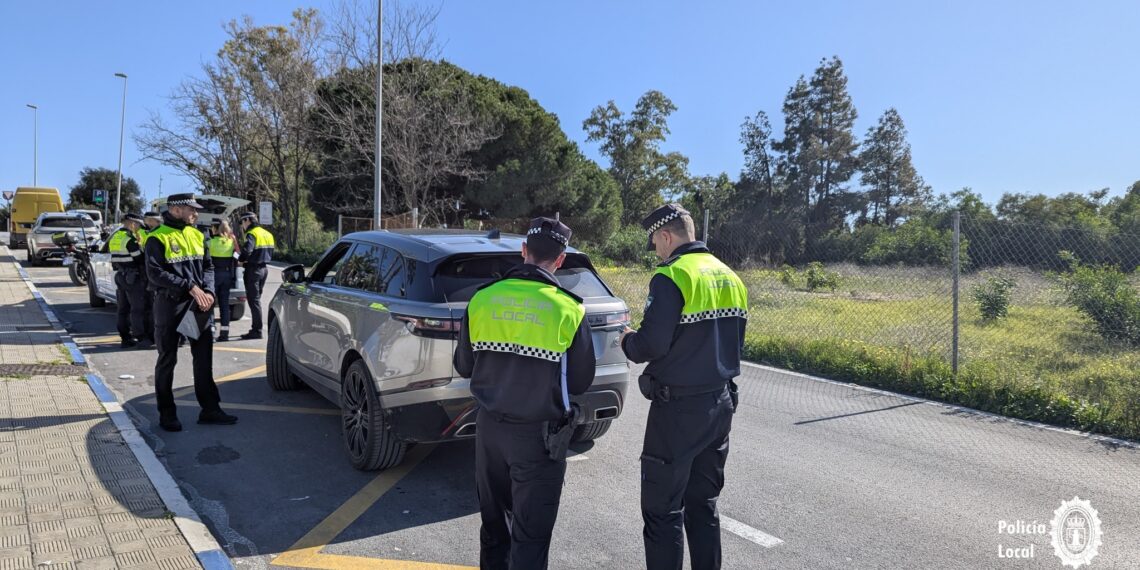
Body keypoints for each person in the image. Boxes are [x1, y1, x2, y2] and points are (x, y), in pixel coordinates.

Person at [453, 217, 596, 570]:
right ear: (560, 259)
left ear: (523, 252)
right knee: (530, 537)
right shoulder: (569, 308)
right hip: (540, 438)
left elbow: (464, 366)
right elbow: (580, 382)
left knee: (494, 529)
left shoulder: (482, 299)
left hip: (488, 433)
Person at [619, 204, 748, 570]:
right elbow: (734, 343)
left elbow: (651, 346)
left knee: (662, 512)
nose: (657, 252)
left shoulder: (672, 276)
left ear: (666, 236)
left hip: (677, 412)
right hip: (720, 403)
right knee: (703, 505)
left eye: (656, 244)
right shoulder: (731, 277)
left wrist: (628, 340)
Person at [145, 193, 238, 432]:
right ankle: (167, 415)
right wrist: (190, 287)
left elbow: (208, 266)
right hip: (170, 304)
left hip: (198, 305)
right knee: (168, 359)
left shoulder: (198, 234)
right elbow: (155, 274)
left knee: (203, 358)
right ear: (176, 210)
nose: (196, 213)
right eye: (191, 209)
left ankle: (210, 410)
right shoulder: (157, 237)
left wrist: (208, 290)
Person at [108, 213, 151, 349]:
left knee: (123, 309)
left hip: (120, 276)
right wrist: (141, 246)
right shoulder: (130, 240)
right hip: (133, 277)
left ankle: (125, 338)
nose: (139, 228)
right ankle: (141, 337)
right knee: (137, 309)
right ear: (132, 223)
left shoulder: (115, 237)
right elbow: (140, 259)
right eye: (138, 225)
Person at [237, 212, 274, 340]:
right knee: (257, 300)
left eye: (242, 222)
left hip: (253, 270)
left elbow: (247, 250)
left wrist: (241, 260)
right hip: (264, 270)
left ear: (247, 220)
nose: (242, 225)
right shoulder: (267, 234)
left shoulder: (252, 234)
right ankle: (257, 328)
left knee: (254, 301)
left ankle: (257, 330)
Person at [208, 220, 238, 342]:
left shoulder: (211, 242)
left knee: (210, 304)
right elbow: (238, 255)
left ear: (214, 229)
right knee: (224, 305)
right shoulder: (231, 241)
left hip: (214, 275)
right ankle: (225, 333)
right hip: (227, 275)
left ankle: (211, 333)